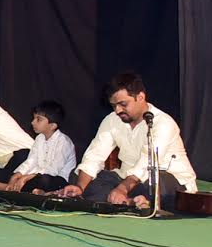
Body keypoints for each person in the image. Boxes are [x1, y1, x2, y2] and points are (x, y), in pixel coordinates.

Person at [60, 72, 198, 207]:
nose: (117, 110)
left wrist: (122, 189)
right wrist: (80, 187)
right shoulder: (112, 120)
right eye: (114, 105)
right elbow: (95, 155)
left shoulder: (163, 123)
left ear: (140, 97)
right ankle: (131, 202)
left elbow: (146, 164)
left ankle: (126, 199)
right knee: (79, 176)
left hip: (167, 178)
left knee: (154, 185)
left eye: (123, 104)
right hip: (125, 178)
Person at [0, 100, 76, 193]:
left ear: (53, 126)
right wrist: (18, 174)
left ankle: (9, 187)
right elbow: (31, 161)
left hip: (57, 179)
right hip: (36, 175)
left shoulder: (64, 142)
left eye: (39, 119)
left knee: (44, 180)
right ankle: (25, 189)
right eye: (34, 118)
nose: (33, 122)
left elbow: (53, 170)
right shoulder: (40, 138)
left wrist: (26, 177)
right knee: (8, 173)